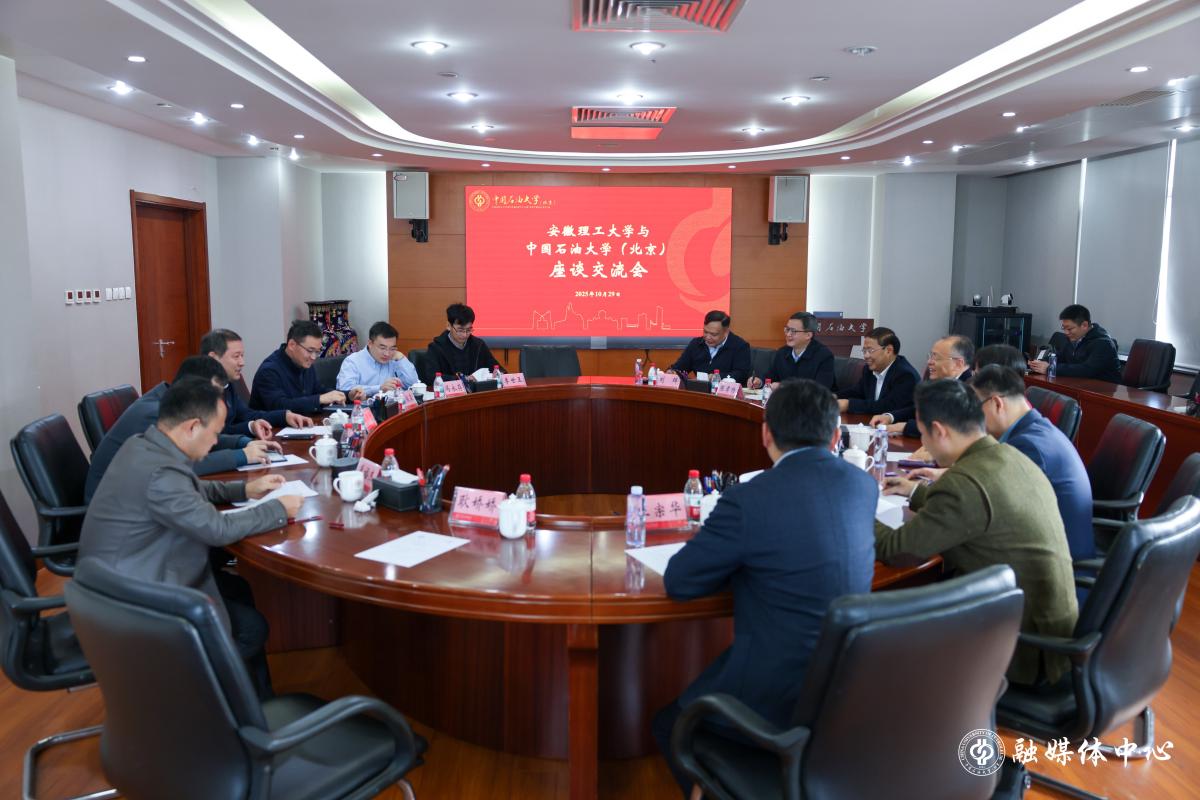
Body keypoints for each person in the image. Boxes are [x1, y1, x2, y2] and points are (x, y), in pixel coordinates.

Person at [654, 379, 877, 797]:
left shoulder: (749, 499)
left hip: (777, 689)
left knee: (670, 726)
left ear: (765, 434)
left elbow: (680, 581)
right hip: (849, 682)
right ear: (835, 436)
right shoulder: (863, 485)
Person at [79, 378, 305, 698]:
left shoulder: (144, 445)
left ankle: (255, 701)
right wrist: (277, 509)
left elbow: (189, 488)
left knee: (238, 588)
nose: (215, 443)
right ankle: (218, 705)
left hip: (123, 575)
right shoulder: (161, 473)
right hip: (134, 596)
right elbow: (217, 529)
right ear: (192, 427)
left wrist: (244, 489)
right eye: (214, 433)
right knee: (252, 629)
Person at [874, 380, 1078, 686]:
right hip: (1052, 634)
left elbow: (897, 550)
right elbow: (976, 508)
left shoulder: (962, 482)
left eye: (924, 434)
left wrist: (860, 506)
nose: (925, 445)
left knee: (883, 635)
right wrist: (914, 491)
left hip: (1022, 651)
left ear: (940, 431)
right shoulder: (1009, 456)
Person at [85, 356, 282, 502]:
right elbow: (183, 467)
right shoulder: (157, 415)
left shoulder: (170, 402)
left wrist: (243, 442)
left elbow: (201, 440)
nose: (215, 401)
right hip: (119, 506)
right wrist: (241, 456)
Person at [201, 328, 314, 438]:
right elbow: (216, 435)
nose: (242, 362)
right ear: (213, 357)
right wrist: (250, 428)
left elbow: (246, 414)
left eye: (242, 356)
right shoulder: (198, 390)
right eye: (236, 356)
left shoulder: (227, 384)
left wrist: (285, 416)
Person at [870, 334, 974, 437]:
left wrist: (904, 427)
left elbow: (948, 425)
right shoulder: (941, 381)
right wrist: (890, 417)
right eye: (930, 356)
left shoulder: (971, 389)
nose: (929, 362)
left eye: (936, 358)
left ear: (958, 364)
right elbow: (921, 409)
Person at [250, 320, 353, 413]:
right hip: (273, 427)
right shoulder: (269, 370)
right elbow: (280, 406)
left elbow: (318, 391)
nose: (313, 357)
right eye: (310, 350)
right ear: (292, 345)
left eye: (317, 352)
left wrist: (348, 395)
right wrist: (319, 399)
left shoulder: (304, 362)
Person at [836, 326, 921, 416]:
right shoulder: (869, 370)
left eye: (870, 350)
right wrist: (833, 397)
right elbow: (857, 392)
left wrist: (848, 405)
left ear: (888, 350)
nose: (866, 356)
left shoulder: (906, 375)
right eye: (864, 350)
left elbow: (888, 406)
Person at [1029, 304, 1121, 383]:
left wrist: (1051, 368)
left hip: (1104, 391)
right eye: (1064, 328)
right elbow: (1061, 357)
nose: (1066, 332)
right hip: (1079, 384)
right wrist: (1039, 363)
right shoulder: (1075, 338)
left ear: (1084, 325)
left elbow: (1087, 370)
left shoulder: (1103, 343)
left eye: (1069, 329)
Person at [747, 311, 835, 390]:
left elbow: (820, 390)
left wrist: (785, 387)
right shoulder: (783, 352)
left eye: (793, 331)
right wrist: (760, 382)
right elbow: (771, 377)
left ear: (808, 335)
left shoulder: (824, 356)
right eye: (787, 329)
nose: (788, 334)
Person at [423, 303, 502, 384]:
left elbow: (498, 370)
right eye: (460, 330)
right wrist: (463, 379)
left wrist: (497, 374)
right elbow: (431, 377)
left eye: (468, 330)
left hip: (477, 391)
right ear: (449, 326)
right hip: (450, 391)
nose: (465, 335)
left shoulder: (478, 345)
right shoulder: (436, 348)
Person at [669, 310, 752, 385]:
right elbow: (680, 368)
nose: (708, 337)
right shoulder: (696, 344)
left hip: (724, 393)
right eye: (705, 332)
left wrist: (717, 377)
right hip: (699, 391)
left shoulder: (740, 346)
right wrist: (672, 372)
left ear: (726, 332)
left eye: (713, 334)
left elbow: (741, 374)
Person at [337, 321, 419, 396]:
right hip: (363, 406)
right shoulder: (353, 361)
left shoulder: (394, 359)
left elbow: (414, 385)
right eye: (382, 348)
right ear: (370, 343)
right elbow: (345, 389)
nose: (387, 354)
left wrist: (402, 359)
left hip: (391, 405)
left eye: (392, 348)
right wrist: (379, 388)